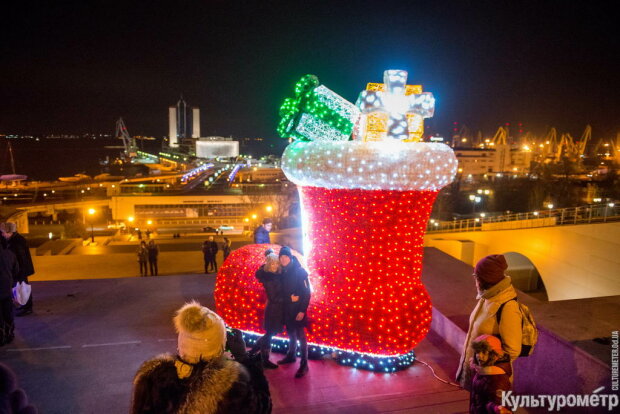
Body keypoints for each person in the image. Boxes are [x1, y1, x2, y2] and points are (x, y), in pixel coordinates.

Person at [130, 301, 272, 414]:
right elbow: (263, 406)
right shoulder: (231, 389)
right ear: (220, 346)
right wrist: (245, 361)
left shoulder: (151, 380)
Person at [456, 254, 522, 391]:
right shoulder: (487, 297)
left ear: (484, 280)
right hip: (478, 373)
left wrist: (487, 369)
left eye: (476, 277)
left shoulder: (508, 307)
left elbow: (513, 350)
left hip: (492, 381)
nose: (475, 281)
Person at [277, 246, 311, 378]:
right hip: (287, 309)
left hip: (297, 310)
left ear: (290, 258)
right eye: (281, 257)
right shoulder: (282, 271)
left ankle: (304, 364)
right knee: (291, 333)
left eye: (286, 256)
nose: (283, 259)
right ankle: (291, 355)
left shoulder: (300, 272)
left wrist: (302, 310)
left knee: (301, 336)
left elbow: (307, 292)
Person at [252, 252, 284, 369]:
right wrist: (287, 297)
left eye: (277, 263)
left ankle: (256, 353)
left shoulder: (275, 275)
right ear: (269, 264)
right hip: (273, 310)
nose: (275, 266)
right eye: (273, 263)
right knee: (270, 334)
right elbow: (273, 297)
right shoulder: (269, 279)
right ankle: (263, 358)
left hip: (277, 309)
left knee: (271, 333)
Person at [469, 335, 512, 414]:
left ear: (494, 355)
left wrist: (496, 408)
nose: (479, 356)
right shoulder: (482, 370)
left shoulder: (498, 379)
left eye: (484, 352)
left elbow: (499, 403)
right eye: (477, 351)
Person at [1, 222, 35, 317]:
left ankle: (27, 307)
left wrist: (19, 271)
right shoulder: (12, 239)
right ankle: (23, 305)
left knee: (23, 288)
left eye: (3, 232)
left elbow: (21, 258)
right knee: (20, 288)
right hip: (18, 269)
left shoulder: (17, 241)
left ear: (9, 232)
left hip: (21, 269)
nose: (2, 234)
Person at [0, 244, 19, 345]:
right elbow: (16, 270)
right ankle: (9, 333)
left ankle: (1, 337)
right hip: (7, 288)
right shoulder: (9, 254)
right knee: (8, 312)